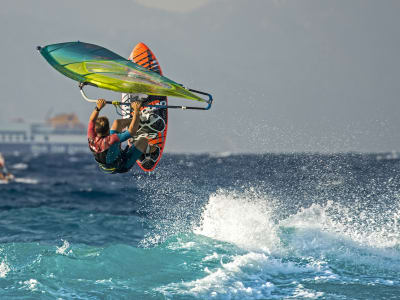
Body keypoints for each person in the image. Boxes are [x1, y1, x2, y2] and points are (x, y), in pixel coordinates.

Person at [87, 99, 151, 174]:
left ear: (95, 129)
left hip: (114, 154)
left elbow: (92, 120)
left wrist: (98, 107)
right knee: (143, 141)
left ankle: (139, 121)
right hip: (121, 165)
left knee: (117, 123)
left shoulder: (91, 136)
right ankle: (148, 153)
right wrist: (136, 109)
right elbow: (131, 132)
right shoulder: (111, 139)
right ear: (108, 130)